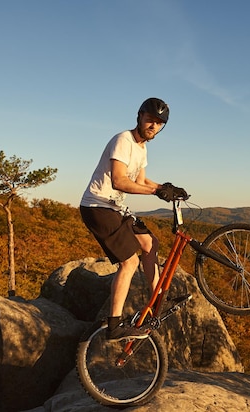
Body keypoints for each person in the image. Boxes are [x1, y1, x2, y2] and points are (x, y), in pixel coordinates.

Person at [80, 97, 186, 342]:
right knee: (129, 263)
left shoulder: (142, 148)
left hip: (114, 207)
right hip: (98, 207)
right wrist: (156, 192)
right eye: (150, 119)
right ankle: (114, 326)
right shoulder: (122, 141)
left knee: (150, 244)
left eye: (159, 123)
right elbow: (119, 180)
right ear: (139, 116)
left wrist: (167, 187)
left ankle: (159, 297)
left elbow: (141, 181)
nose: (153, 126)